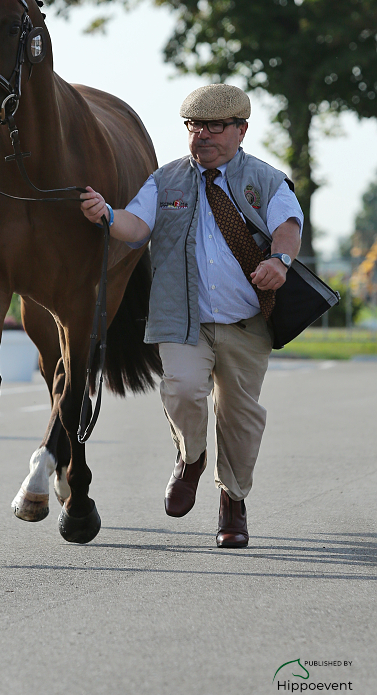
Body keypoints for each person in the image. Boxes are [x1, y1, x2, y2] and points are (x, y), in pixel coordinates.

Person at [80, 83, 303, 548]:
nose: (202, 135)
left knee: (240, 420)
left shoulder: (266, 179)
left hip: (245, 325)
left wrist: (279, 262)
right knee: (181, 389)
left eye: (214, 127)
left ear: (241, 131)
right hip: (182, 321)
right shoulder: (165, 181)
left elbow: (287, 226)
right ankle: (192, 459)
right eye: (193, 126)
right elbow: (136, 227)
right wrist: (105, 214)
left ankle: (233, 504)